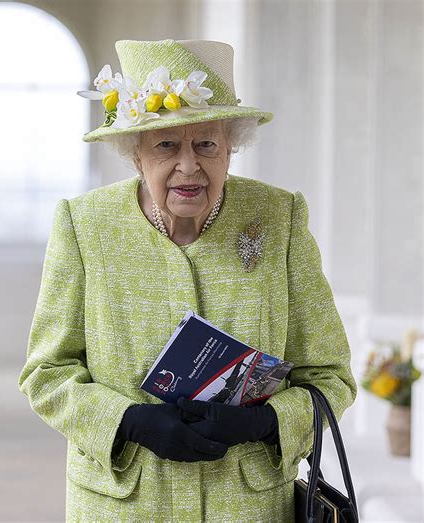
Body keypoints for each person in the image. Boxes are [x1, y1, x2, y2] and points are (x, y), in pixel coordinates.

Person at [18, 38, 357, 522]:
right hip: (122, 508)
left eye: (206, 144)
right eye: (166, 145)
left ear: (230, 148)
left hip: (248, 508)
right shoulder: (85, 224)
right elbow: (46, 374)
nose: (188, 165)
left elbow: (331, 377)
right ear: (135, 153)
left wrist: (266, 423)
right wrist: (129, 422)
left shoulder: (278, 217)